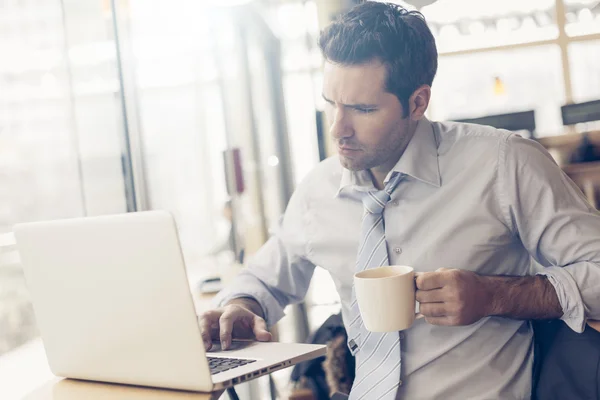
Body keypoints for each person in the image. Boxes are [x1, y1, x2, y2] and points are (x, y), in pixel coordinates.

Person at [200, 2, 600, 399]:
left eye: (363, 109)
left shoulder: (503, 164)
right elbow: (266, 280)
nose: (338, 129)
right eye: (331, 104)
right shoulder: (318, 190)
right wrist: (241, 304)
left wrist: (493, 295)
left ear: (417, 103)